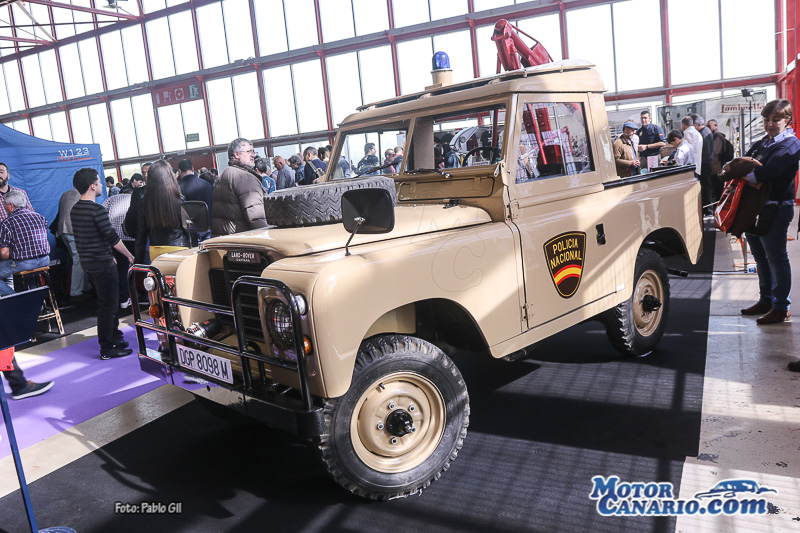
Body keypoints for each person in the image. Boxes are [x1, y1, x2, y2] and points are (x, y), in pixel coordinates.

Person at [738, 99, 800, 327]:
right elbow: (742, 163)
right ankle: (766, 300)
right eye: (766, 119)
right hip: (755, 208)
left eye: (776, 119)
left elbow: (770, 171)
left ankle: (781, 307)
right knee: (760, 256)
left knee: (776, 257)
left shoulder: (791, 144)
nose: (770, 124)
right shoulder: (763, 143)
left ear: (787, 120)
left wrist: (749, 175)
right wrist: (748, 174)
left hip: (776, 208)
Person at [70, 167, 135, 360]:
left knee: (108, 302)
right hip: (101, 263)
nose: (101, 185)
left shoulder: (76, 209)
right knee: (108, 305)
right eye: (99, 182)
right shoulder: (96, 210)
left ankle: (115, 337)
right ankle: (107, 347)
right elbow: (111, 236)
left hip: (90, 262)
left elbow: (88, 237)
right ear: (92, 186)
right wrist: (129, 255)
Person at [211, 138, 268, 236]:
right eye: (249, 152)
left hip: (227, 239)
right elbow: (256, 218)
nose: (253, 155)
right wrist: (268, 237)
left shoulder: (225, 175)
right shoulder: (244, 177)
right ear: (237, 154)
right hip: (244, 239)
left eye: (253, 151)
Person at [136, 160, 191, 261]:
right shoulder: (179, 199)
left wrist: (138, 260)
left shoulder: (144, 201)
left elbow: (141, 233)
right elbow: (188, 228)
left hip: (155, 250)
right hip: (179, 248)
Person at [0, 190, 51, 296]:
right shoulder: (40, 217)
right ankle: (35, 299)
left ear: (11, 205)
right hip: (45, 260)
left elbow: (4, 254)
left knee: (17, 265)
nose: (4, 207)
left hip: (25, 264)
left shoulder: (7, 223)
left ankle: (15, 297)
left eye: (4, 205)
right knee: (30, 274)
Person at [103, 189, 134, 308]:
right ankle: (141, 296)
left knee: (122, 268)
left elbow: (101, 212)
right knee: (139, 267)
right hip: (133, 237)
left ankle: (123, 299)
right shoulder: (135, 198)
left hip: (116, 239)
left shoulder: (111, 199)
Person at [55, 185, 85, 297]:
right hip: (72, 230)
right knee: (79, 260)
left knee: (75, 259)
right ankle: (76, 291)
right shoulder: (82, 194)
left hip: (62, 230)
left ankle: (84, 286)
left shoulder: (65, 194)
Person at [692, 113, 716, 212]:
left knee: (705, 187)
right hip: (707, 163)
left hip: (704, 164)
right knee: (706, 186)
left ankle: (708, 209)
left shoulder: (703, 133)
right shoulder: (706, 131)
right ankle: (707, 209)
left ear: (696, 124)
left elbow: (704, 152)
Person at [708, 119, 733, 201]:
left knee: (718, 190)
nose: (708, 128)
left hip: (717, 168)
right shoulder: (713, 137)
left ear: (715, 125)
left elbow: (715, 152)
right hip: (716, 168)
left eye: (709, 126)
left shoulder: (718, 137)